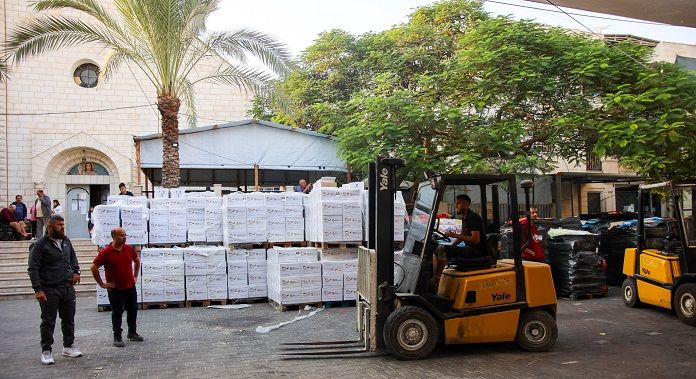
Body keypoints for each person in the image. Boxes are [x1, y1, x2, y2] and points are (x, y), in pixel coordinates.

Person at [27, 214, 82, 365]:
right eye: (59, 225)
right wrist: (38, 289)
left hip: (67, 287)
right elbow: (33, 268)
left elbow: (73, 258)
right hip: (49, 289)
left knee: (69, 319)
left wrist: (76, 272)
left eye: (63, 225)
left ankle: (68, 346)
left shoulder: (66, 241)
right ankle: (46, 350)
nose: (62, 227)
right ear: (50, 226)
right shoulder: (40, 245)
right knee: (48, 321)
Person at [91, 227, 143, 347]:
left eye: (125, 235)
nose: (124, 237)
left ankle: (132, 332)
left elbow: (137, 260)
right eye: (121, 235)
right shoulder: (106, 252)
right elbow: (94, 267)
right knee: (117, 312)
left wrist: (135, 276)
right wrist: (102, 284)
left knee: (133, 309)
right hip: (115, 289)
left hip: (129, 286)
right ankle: (117, 336)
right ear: (114, 237)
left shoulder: (129, 249)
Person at [432, 194, 484, 288]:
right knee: (437, 250)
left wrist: (454, 235)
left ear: (467, 205)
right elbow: (461, 236)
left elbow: (475, 240)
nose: (456, 206)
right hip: (469, 248)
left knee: (442, 249)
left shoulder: (473, 217)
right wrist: (452, 246)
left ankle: (436, 281)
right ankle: (434, 276)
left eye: (458, 203)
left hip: (476, 250)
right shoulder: (465, 217)